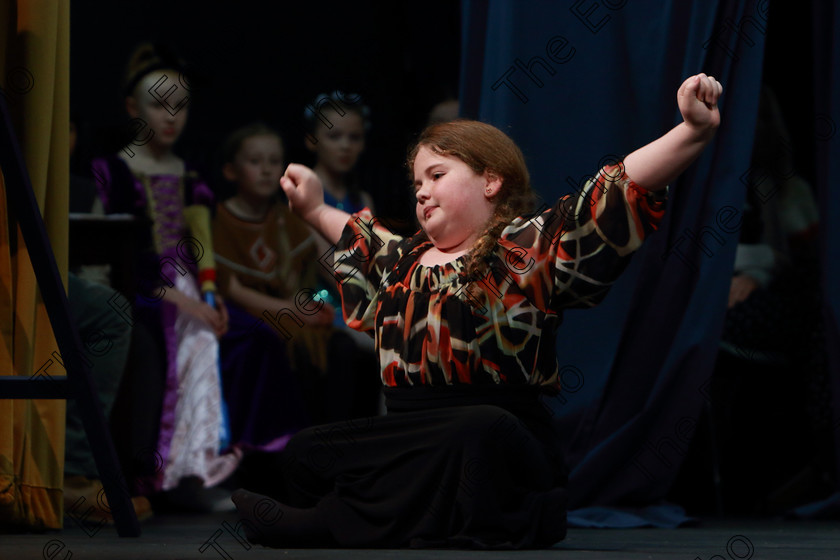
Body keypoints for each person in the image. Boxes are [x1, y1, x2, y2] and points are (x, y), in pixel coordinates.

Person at [231, 74, 723, 548]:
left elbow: (613, 191)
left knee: (476, 429)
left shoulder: (523, 251)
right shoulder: (403, 260)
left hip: (497, 443)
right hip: (410, 433)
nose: (421, 190)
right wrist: (315, 208)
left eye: (437, 175)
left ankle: (333, 523)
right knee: (308, 451)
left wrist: (691, 130)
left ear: (491, 180)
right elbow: (360, 238)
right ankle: (372, 518)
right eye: (417, 180)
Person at [91, 42, 239, 512]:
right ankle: (156, 476)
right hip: (135, 288)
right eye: (158, 105)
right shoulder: (112, 171)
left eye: (180, 106)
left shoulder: (189, 175)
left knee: (230, 340)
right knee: (174, 344)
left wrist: (207, 294)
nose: (170, 116)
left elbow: (202, 247)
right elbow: (109, 252)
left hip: (187, 286)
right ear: (134, 108)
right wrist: (183, 300)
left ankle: (192, 468)